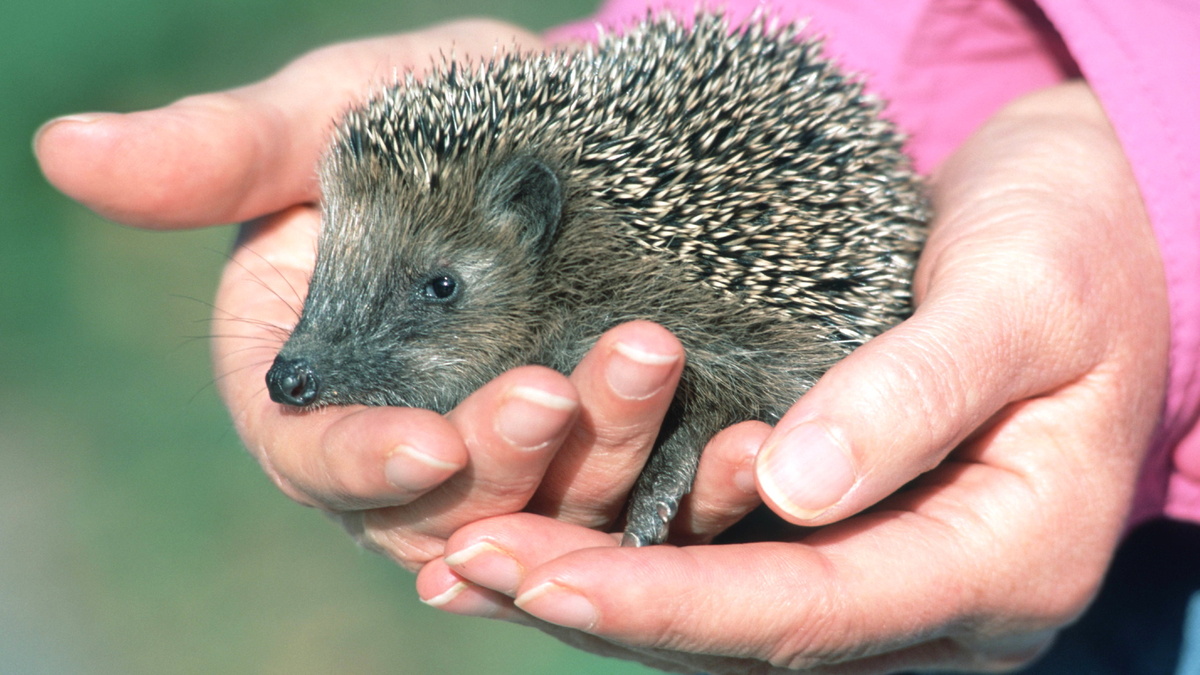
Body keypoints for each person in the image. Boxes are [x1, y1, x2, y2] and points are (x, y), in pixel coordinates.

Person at [34, 0, 1200, 672]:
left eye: (434, 289)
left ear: (541, 229)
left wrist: (1163, 203)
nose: (307, 360)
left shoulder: (671, 270)